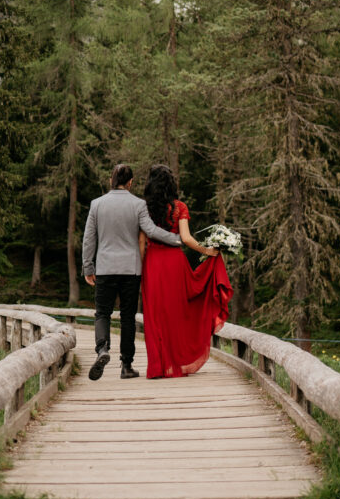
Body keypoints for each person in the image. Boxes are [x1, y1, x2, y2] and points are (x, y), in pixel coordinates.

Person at [82, 163, 183, 381]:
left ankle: (102, 349)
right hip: (131, 269)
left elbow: (89, 239)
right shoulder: (138, 205)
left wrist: (88, 267)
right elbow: (152, 231)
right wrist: (176, 239)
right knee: (128, 316)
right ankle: (126, 366)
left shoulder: (97, 205)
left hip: (106, 268)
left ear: (112, 179)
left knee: (102, 313)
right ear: (130, 182)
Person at [140, 164, 232, 379]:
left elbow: (142, 241)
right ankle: (176, 363)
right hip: (174, 261)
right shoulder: (179, 207)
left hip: (152, 263)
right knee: (176, 312)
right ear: (171, 184)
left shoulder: (143, 209)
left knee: (155, 315)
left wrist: (140, 268)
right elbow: (187, 238)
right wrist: (206, 251)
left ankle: (157, 367)